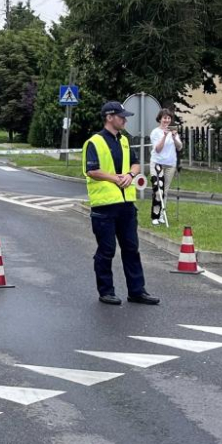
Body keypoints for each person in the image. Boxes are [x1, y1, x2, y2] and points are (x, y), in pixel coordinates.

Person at [82, 101, 160, 306]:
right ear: (109, 117)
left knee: (131, 249)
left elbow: (135, 163)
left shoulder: (124, 140)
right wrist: (115, 178)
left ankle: (137, 291)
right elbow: (92, 170)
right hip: (104, 206)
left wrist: (130, 174)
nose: (125, 120)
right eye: (121, 116)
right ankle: (106, 291)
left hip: (126, 205)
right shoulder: (94, 142)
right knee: (106, 250)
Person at [150, 108, 182, 225]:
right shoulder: (155, 132)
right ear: (160, 119)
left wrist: (174, 137)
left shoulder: (173, 132)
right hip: (157, 163)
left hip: (170, 165)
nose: (166, 120)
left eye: (168, 118)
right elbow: (158, 149)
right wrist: (164, 136)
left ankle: (162, 216)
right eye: (164, 118)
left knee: (165, 191)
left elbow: (179, 147)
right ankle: (155, 215)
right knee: (158, 190)